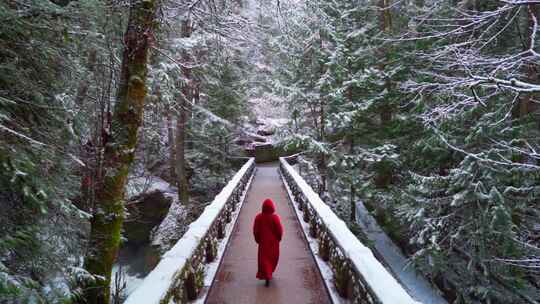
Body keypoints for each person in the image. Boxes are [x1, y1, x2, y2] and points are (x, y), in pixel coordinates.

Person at [253, 198, 284, 287]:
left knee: (264, 260)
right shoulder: (275, 218)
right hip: (273, 243)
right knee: (272, 259)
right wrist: (279, 238)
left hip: (263, 243)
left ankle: (267, 275)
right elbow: (279, 230)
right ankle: (269, 274)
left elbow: (255, 230)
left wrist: (258, 239)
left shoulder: (259, 217)